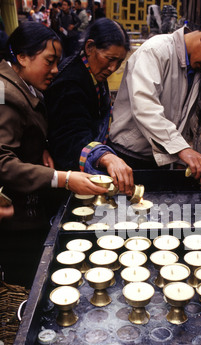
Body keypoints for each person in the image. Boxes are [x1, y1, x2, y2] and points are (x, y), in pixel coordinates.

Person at [0, 22, 108, 288]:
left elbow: (23, 129)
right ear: (22, 57)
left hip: (27, 212)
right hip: (16, 219)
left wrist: (40, 144)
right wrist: (64, 178)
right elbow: (3, 163)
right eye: (49, 61)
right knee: (25, 285)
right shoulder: (6, 95)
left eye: (57, 62)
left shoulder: (22, 86)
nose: (56, 70)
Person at [108, 16, 201, 184]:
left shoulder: (194, 68)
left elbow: (182, 117)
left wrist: (180, 160)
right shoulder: (156, 50)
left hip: (159, 158)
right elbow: (145, 107)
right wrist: (182, 149)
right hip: (128, 158)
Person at [45, 18, 134, 196]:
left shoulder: (92, 74)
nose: (112, 68)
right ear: (90, 47)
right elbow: (71, 134)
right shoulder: (70, 82)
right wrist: (105, 157)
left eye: (119, 62)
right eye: (109, 59)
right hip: (65, 178)